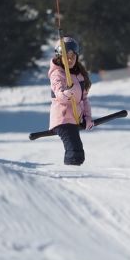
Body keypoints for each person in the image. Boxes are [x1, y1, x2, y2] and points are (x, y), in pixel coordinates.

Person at [49, 36, 93, 166]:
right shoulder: (57, 74)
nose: (70, 59)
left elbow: (84, 99)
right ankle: (71, 176)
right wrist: (68, 93)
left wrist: (87, 117)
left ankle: (74, 172)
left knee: (78, 152)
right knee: (75, 153)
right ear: (59, 56)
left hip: (74, 119)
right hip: (62, 119)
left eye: (72, 56)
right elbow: (59, 94)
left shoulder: (79, 75)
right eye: (66, 56)